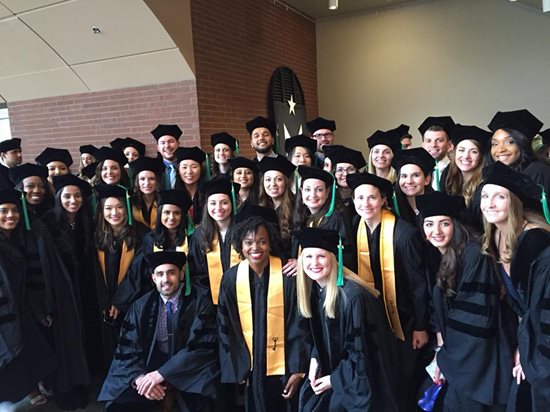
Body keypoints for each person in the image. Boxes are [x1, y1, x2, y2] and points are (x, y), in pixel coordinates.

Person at [417, 191, 515, 411]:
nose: (436, 231)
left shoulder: (474, 254)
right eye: (429, 224)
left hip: (480, 357)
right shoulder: (442, 254)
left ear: (456, 225)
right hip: (461, 353)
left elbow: (473, 316)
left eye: (444, 223)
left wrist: (447, 359)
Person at [345, 172, 430, 411]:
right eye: (359, 198)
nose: (365, 204)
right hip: (374, 320)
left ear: (383, 200)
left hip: (404, 321)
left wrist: (421, 326)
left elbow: (418, 285)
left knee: (403, 380)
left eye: (372, 198)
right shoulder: (355, 226)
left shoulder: (404, 234)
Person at [98, 251, 220, 412]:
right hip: (150, 363)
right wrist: (140, 379)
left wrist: (162, 374)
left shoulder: (200, 303)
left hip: (189, 370)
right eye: (160, 274)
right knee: (121, 406)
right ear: (153, 278)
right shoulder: (141, 306)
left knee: (203, 404)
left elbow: (201, 348)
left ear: (181, 275)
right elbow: (127, 349)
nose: (166, 279)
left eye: (171, 273)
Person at [294, 227, 398, 412]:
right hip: (338, 376)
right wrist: (315, 359)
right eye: (308, 257)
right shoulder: (316, 291)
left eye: (321, 256)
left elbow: (363, 353)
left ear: (334, 259)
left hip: (361, 385)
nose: (314, 263)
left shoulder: (352, 297)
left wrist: (334, 380)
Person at [217, 210, 308, 412]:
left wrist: (298, 369)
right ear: (241, 246)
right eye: (248, 242)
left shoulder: (287, 277)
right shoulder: (231, 279)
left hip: (283, 368)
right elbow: (226, 326)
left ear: (270, 243)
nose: (255, 247)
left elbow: (299, 324)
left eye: (262, 241)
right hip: (249, 368)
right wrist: (238, 368)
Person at [479, 161, 550, 411]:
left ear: (515, 203)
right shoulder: (496, 237)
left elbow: (544, 312)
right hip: (530, 344)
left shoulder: (538, 245)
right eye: (485, 195)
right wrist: (523, 346)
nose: (489, 203)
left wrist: (533, 356)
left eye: (500, 196)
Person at [41, 174, 104, 376]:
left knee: (90, 331)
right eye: (67, 196)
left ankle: (92, 375)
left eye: (77, 196)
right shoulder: (47, 224)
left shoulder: (88, 221)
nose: (73, 201)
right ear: (59, 197)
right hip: (62, 290)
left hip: (87, 288)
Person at [0, 189, 57, 405]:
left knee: (31, 349)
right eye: (3, 211)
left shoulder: (16, 238)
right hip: (6, 310)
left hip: (20, 306)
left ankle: (30, 388)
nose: (10, 215)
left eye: (14, 211)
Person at [94, 184, 145, 368]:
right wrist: (104, 301)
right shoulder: (96, 236)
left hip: (131, 302)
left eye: (119, 207)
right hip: (103, 301)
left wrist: (119, 301)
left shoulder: (140, 235)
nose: (114, 212)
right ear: (101, 210)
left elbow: (138, 273)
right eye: (108, 208)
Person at [187, 178, 241, 304]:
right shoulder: (199, 235)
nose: (218, 208)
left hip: (245, 297)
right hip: (210, 302)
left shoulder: (244, 231)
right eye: (213, 203)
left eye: (224, 203)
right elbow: (198, 275)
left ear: (232, 203)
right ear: (206, 206)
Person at [487, 109, 550, 195]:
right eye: (495, 144)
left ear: (523, 144)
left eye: (509, 142)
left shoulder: (537, 171)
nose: (500, 149)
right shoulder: (500, 172)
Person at [442, 124, 492, 231]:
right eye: (461, 150)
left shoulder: (485, 185)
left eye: (474, 151)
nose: (466, 156)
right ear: (455, 152)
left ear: (481, 156)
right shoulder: (447, 175)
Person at [258, 156, 296, 255]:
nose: (273, 184)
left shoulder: (297, 209)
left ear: (286, 183)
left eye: (278, 179)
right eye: (268, 180)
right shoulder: (261, 208)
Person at [392, 147, 435, 228]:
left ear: (427, 180)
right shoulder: (393, 208)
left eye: (416, 175)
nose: (409, 181)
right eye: (404, 176)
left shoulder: (438, 205)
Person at [323, 144, 366, 219]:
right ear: (334, 173)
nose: (345, 174)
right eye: (340, 170)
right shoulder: (327, 197)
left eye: (350, 169)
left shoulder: (363, 196)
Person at [419, 116, 456, 191]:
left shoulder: (457, 170)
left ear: (449, 145)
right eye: (428, 141)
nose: (433, 145)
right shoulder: (419, 171)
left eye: (439, 140)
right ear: (423, 145)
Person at [175, 146, 208, 227]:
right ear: (178, 171)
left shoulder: (208, 193)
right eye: (184, 167)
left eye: (194, 167)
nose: (189, 171)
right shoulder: (174, 195)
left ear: (201, 170)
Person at [130, 156, 163, 230]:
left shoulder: (163, 201)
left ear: (157, 181)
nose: (147, 183)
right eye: (142, 179)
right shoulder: (131, 201)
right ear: (137, 182)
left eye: (151, 179)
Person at [151, 124, 182, 190]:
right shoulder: (153, 169)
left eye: (171, 141)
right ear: (158, 148)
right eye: (163, 143)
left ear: (178, 144)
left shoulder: (185, 167)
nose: (167, 146)